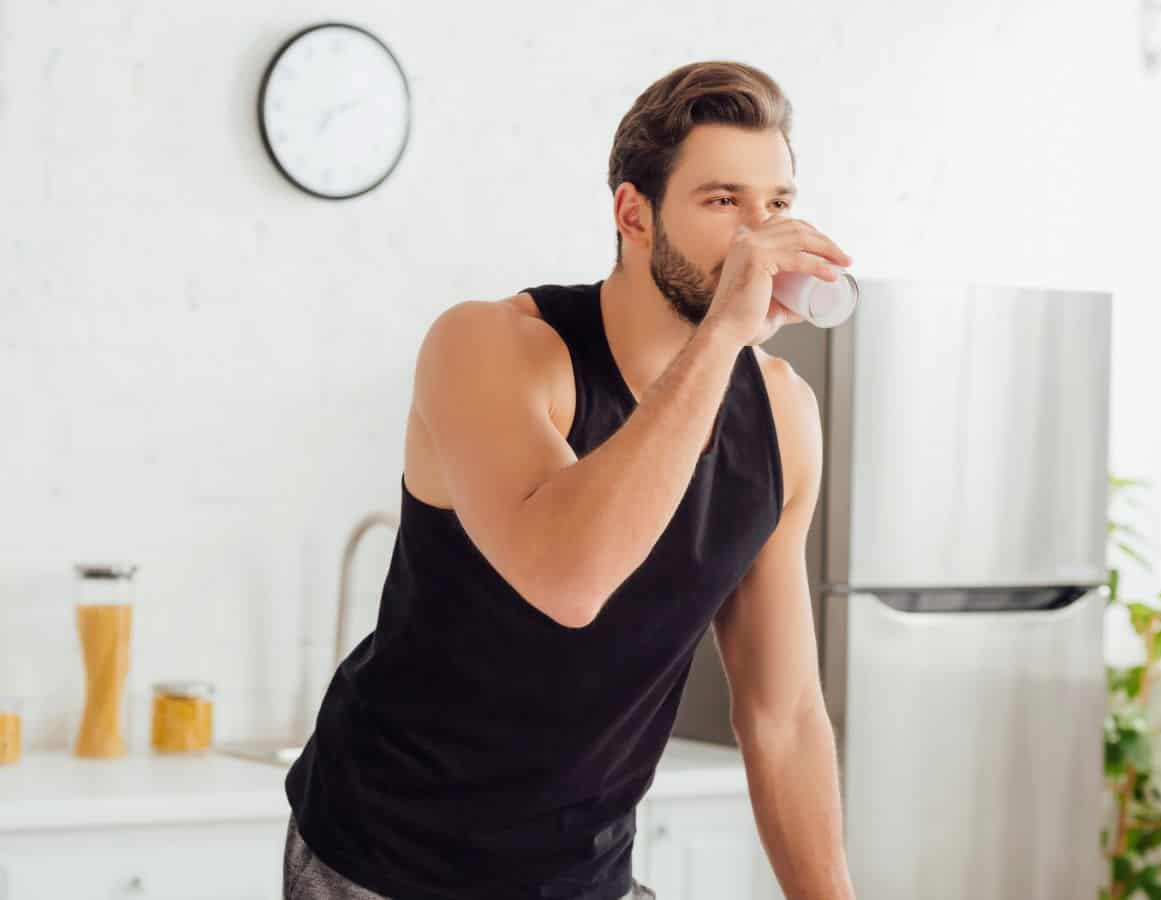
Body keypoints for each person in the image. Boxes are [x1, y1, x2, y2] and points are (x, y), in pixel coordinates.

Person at [282, 59, 858, 900]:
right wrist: (725, 334)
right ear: (634, 214)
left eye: (775, 203)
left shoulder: (781, 420)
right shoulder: (490, 349)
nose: (756, 235)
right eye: (721, 200)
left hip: (583, 876)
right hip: (385, 864)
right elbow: (571, 580)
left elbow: (783, 713)